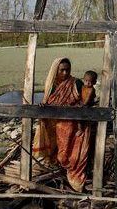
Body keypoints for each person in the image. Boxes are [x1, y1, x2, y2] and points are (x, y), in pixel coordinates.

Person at [32, 58, 93, 192]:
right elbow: (48, 102)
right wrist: (44, 105)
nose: (65, 73)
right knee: (58, 154)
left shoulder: (76, 83)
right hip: (56, 125)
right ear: (55, 70)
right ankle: (56, 168)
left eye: (67, 70)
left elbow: (85, 102)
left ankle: (74, 181)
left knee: (70, 156)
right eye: (62, 70)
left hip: (73, 126)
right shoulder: (51, 85)